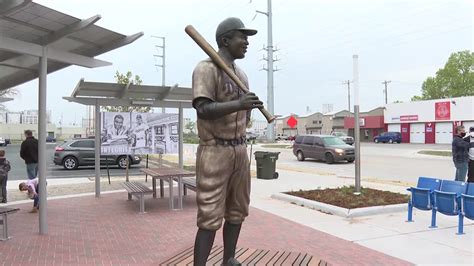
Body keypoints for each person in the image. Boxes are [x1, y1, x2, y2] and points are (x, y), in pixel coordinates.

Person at [191, 17, 263, 266]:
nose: (246, 42)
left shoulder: (241, 74)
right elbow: (203, 108)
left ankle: (228, 259)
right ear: (225, 40)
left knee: (238, 210)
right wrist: (239, 104)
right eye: (241, 37)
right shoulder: (206, 68)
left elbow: (242, 117)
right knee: (210, 214)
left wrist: (249, 108)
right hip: (215, 150)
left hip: (240, 150)